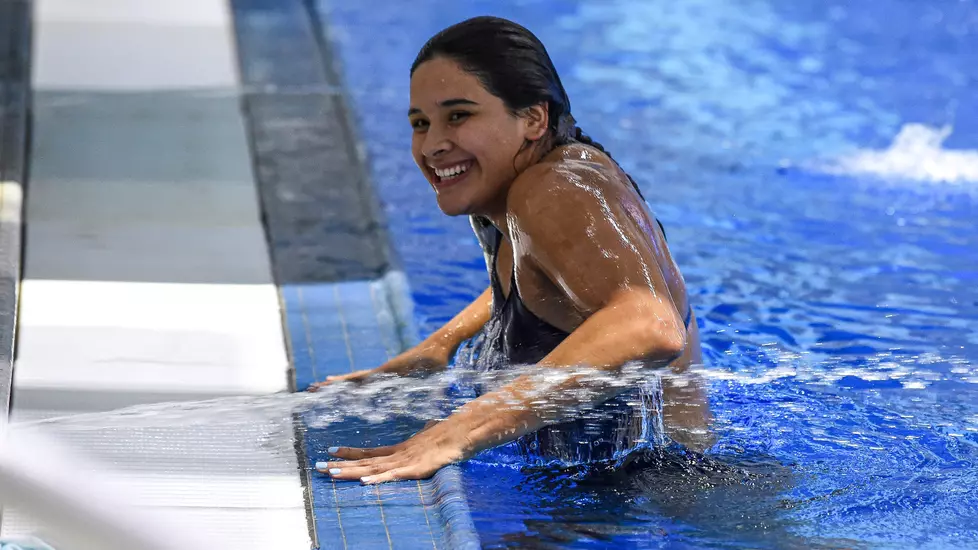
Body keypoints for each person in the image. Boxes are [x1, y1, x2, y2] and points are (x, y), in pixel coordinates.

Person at [312, 16, 712, 484]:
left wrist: (454, 434)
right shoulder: (514, 184)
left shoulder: (554, 190)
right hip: (610, 486)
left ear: (532, 119)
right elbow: (547, 277)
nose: (434, 145)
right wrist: (439, 346)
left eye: (459, 115)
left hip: (667, 492)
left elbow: (651, 324)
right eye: (421, 123)